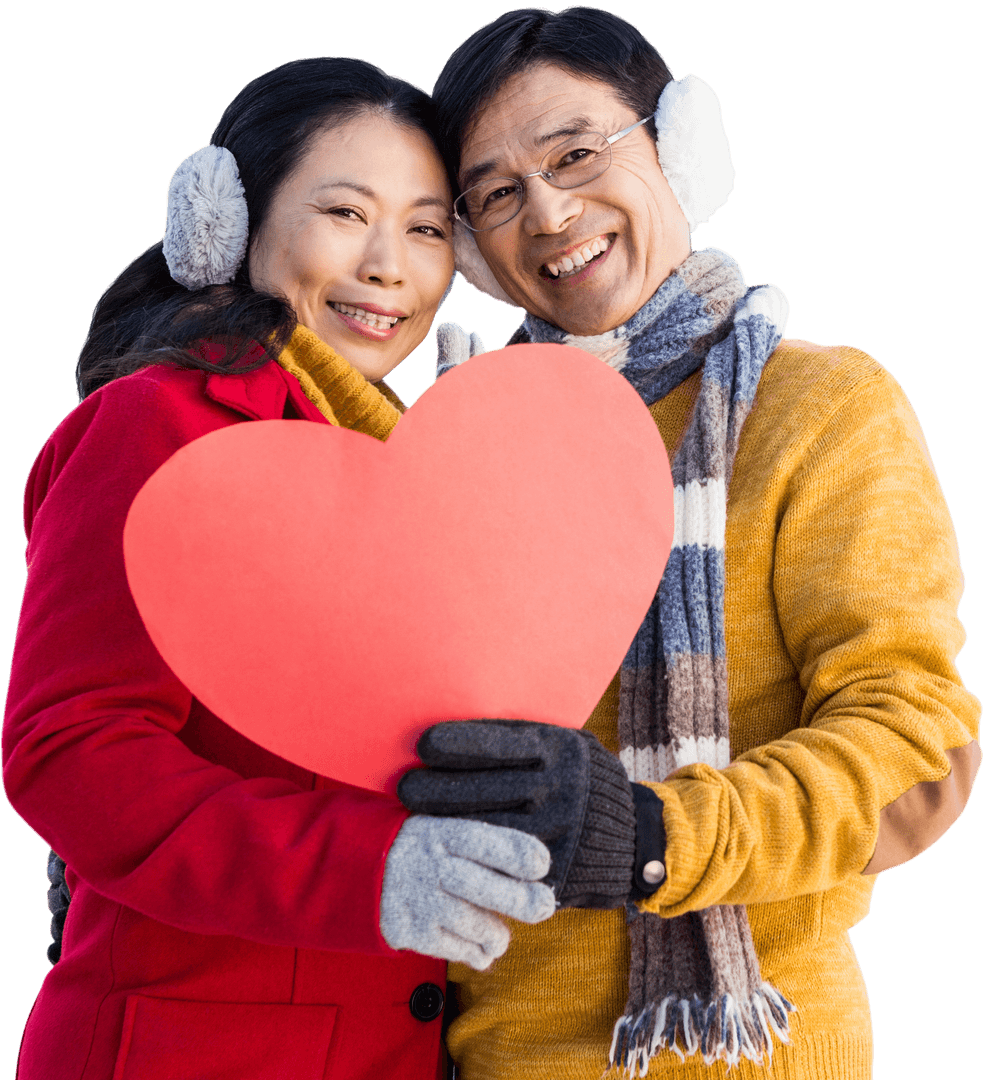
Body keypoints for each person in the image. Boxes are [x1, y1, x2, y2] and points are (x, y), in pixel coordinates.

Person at [396, 8, 983, 1079]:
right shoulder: (454, 443)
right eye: (498, 193)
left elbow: (916, 754)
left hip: (754, 1054)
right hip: (486, 1054)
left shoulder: (822, 408)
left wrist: (656, 835)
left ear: (679, 146)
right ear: (473, 248)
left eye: (576, 153)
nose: (551, 212)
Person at [1, 56, 556, 1080]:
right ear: (229, 222)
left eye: (428, 229)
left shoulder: (399, 463)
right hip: (192, 1051)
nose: (390, 265)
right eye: (346, 212)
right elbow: (69, 747)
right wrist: (368, 870)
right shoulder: (154, 425)